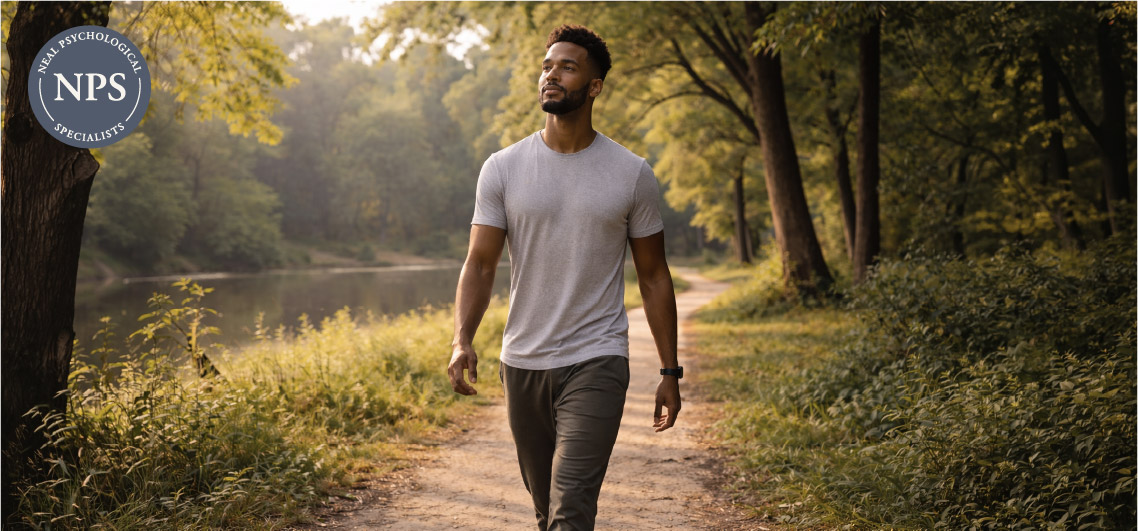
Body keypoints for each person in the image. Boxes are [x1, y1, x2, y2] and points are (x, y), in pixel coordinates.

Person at [447, 24, 681, 531]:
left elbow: (655, 277)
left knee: (571, 506)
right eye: (547, 66)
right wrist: (462, 338)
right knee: (545, 507)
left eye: (567, 67)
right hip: (523, 361)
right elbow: (480, 263)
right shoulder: (502, 168)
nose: (551, 75)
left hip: (597, 358)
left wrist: (669, 372)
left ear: (594, 86)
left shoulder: (631, 173)